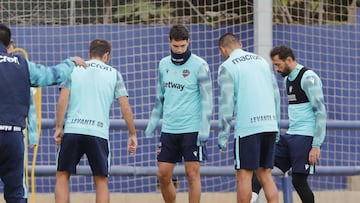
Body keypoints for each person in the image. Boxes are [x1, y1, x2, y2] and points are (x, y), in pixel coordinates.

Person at [0, 24, 87, 203]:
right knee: (16, 192)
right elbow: (52, 75)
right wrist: (70, 62)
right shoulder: (23, 65)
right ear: (10, 44)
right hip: (14, 137)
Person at [53, 39, 138, 203]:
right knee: (101, 180)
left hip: (73, 129)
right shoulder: (114, 73)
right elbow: (125, 107)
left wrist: (58, 126)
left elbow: (63, 99)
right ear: (106, 55)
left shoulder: (74, 69)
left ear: (89, 54)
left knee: (62, 175)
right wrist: (132, 133)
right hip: (98, 133)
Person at [145, 24, 213, 203]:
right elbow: (160, 96)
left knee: (192, 175)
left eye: (183, 46)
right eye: (176, 46)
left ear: (188, 42)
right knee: (163, 174)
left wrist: (205, 128)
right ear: (169, 42)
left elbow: (207, 99)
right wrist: (153, 121)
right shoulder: (163, 64)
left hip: (191, 129)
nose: (180, 50)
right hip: (169, 129)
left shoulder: (200, 65)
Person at [251, 45, 327, 203]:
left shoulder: (308, 78)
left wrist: (316, 144)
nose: (276, 69)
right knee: (260, 169)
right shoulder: (287, 79)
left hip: (305, 138)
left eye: (278, 64)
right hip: (290, 135)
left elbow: (320, 112)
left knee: (298, 182)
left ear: (289, 60)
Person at [217, 33, 280, 203]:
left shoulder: (227, 66)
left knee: (243, 176)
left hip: (248, 128)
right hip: (269, 125)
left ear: (223, 49)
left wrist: (223, 134)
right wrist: (277, 125)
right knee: (266, 175)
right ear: (241, 44)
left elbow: (226, 105)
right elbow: (276, 96)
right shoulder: (262, 61)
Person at [7, 40, 39, 147]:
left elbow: (30, 107)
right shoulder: (21, 69)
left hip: (15, 132)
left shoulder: (20, 70)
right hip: (14, 133)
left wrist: (33, 136)